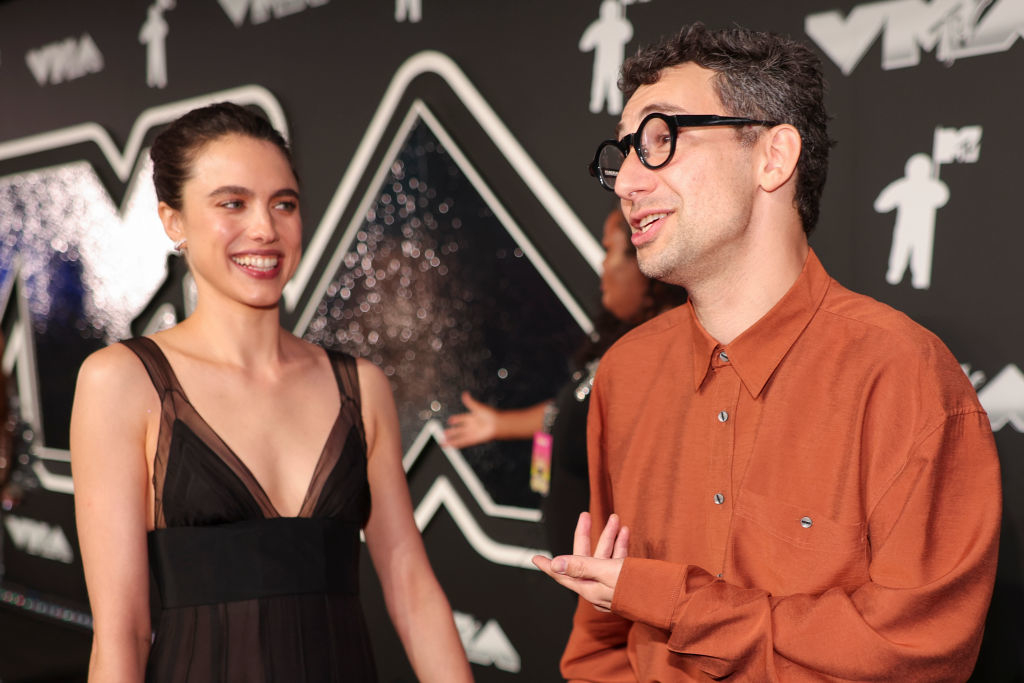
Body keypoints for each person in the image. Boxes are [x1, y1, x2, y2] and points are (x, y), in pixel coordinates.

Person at [533, 23, 1001, 682]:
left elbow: (912, 655)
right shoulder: (626, 373)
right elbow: (603, 637)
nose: (626, 180)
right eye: (623, 153)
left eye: (659, 141)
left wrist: (678, 600)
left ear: (774, 157)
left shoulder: (905, 376)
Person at [69, 102, 472, 682]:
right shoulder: (123, 382)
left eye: (283, 204)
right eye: (232, 203)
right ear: (173, 221)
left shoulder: (361, 386)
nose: (265, 228)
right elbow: (121, 634)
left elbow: (411, 587)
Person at [443, 209, 685, 555]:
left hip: (621, 590)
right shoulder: (624, 346)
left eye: (610, 250)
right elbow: (565, 414)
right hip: (591, 590)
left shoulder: (668, 355)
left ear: (646, 258)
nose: (602, 267)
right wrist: (499, 424)